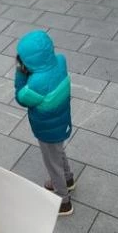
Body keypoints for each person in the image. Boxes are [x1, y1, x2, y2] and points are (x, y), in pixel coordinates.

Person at [14, 30, 75, 216]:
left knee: (52, 163)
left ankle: (63, 201)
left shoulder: (35, 83)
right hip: (61, 123)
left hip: (47, 130)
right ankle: (68, 178)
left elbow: (21, 97)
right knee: (59, 151)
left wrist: (20, 74)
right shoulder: (61, 61)